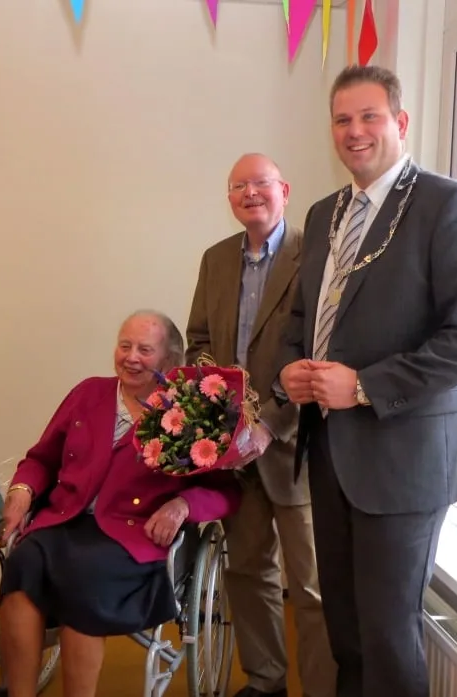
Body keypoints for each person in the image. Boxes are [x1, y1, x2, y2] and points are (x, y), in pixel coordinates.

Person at [274, 65, 457, 697]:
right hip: (330, 453)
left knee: (388, 634)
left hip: (404, 460)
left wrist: (365, 386)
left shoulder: (449, 206)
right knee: (345, 632)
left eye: (369, 116)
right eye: (342, 120)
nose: (355, 131)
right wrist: (290, 367)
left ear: (400, 123)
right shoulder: (324, 214)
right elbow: (302, 319)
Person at [0, 310, 243, 697]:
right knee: (23, 563)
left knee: (86, 576)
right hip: (65, 520)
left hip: (132, 534)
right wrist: (22, 490)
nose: (131, 357)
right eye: (125, 346)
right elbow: (41, 459)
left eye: (144, 350)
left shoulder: (188, 414)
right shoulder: (88, 394)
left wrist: (181, 504)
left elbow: (225, 490)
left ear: (169, 360)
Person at [185, 153, 335, 697]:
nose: (250, 193)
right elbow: (199, 341)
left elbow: (320, 351)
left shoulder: (316, 256)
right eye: (238, 186)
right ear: (229, 198)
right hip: (234, 453)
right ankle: (266, 681)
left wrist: (269, 422)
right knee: (248, 573)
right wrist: (221, 415)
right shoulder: (215, 259)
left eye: (261, 184)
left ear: (284, 191)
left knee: (312, 586)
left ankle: (321, 689)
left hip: (296, 447)